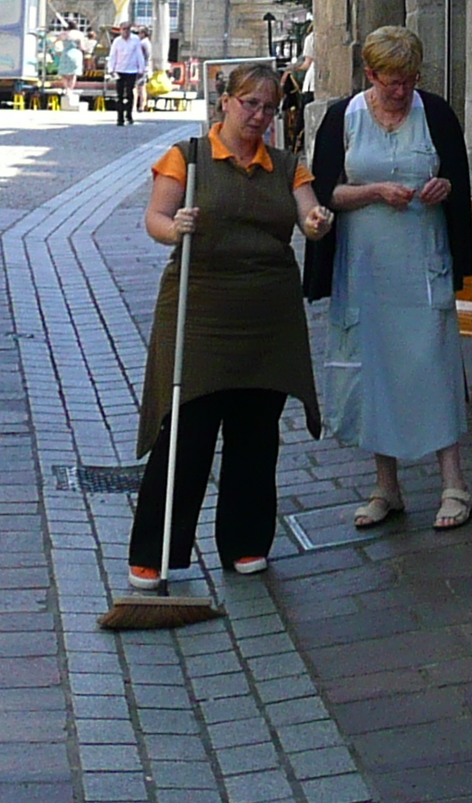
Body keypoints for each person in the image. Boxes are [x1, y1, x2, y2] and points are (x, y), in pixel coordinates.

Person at [130, 61, 331, 587]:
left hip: (268, 316)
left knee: (256, 432)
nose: (260, 116)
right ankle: (156, 551)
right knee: (187, 431)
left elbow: (309, 217)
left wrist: (315, 222)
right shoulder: (188, 157)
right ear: (226, 102)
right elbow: (154, 217)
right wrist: (175, 228)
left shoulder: (287, 165)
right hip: (201, 311)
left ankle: (245, 542)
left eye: (269, 107)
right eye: (251, 104)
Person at [297, 24, 472, 531]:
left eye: (409, 80)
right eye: (391, 80)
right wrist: (375, 191)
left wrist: (443, 187)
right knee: (371, 367)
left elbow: (459, 184)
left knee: (433, 363)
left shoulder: (435, 113)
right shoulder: (343, 118)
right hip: (365, 266)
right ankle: (386, 486)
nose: (400, 91)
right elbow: (325, 191)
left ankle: (454, 483)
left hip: (422, 261)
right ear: (370, 74)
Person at [107, 24, 150, 127]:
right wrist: (111, 69)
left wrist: (141, 68)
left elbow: (139, 54)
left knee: (130, 92)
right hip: (120, 69)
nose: (125, 32)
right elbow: (113, 55)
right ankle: (120, 117)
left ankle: (129, 115)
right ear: (120, 31)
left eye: (127, 30)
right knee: (119, 94)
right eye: (123, 29)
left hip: (132, 70)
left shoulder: (135, 40)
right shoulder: (117, 41)